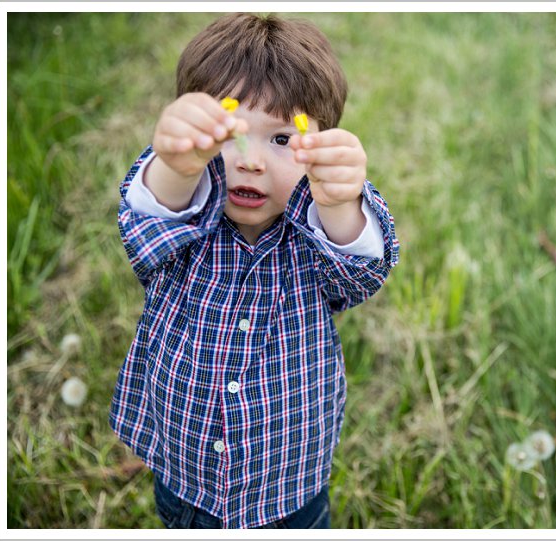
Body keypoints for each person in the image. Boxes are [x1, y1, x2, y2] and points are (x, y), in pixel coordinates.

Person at [109, 13, 399, 529]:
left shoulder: (313, 231)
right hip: (187, 473)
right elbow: (145, 220)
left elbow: (361, 274)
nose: (251, 162)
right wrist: (175, 165)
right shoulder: (186, 217)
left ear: (319, 148)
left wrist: (338, 201)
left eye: (283, 139)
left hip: (287, 483)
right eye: (229, 133)